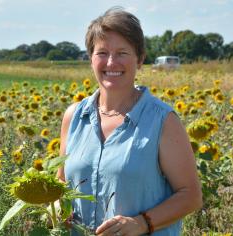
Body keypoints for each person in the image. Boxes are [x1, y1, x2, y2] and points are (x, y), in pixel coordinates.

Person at [57, 7, 202, 236]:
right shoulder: (74, 117)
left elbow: (191, 195)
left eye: (122, 53)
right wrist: (57, 211)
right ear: (91, 59)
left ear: (140, 60)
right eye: (102, 53)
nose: (111, 62)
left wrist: (142, 223)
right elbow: (62, 184)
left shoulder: (162, 120)